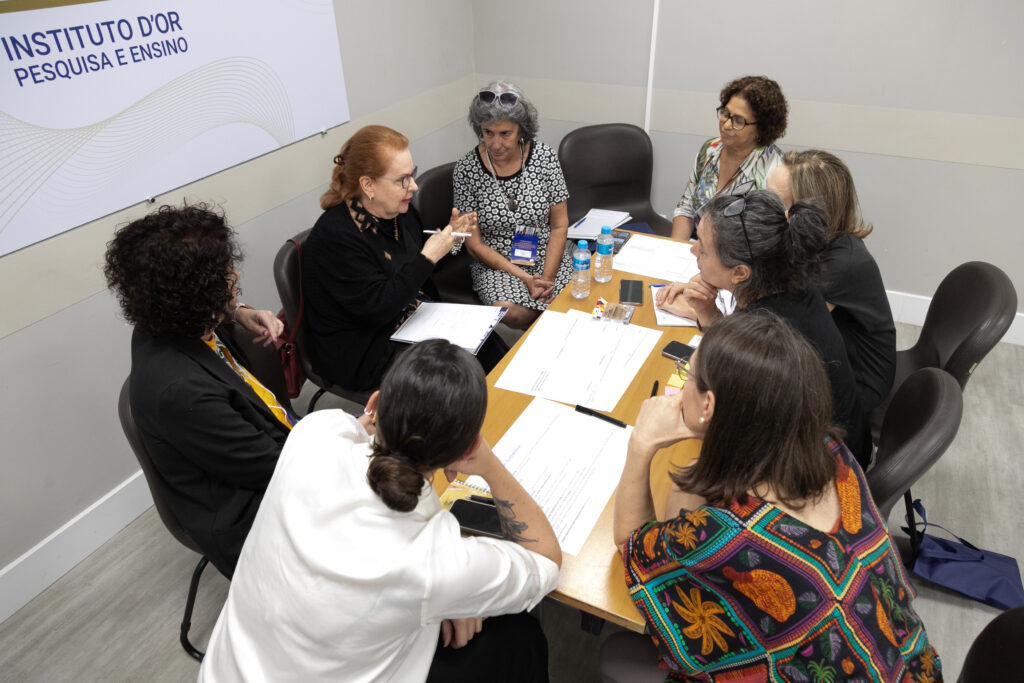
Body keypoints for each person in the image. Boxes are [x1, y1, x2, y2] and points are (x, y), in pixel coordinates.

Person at [602, 313, 941, 682]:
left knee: (621, 649)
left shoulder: (723, 535)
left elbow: (633, 546)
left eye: (688, 375)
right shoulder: (831, 451)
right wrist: (713, 435)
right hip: (911, 665)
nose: (683, 384)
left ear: (708, 405)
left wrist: (641, 444)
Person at [199, 339, 561, 682]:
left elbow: (362, 435)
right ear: (467, 449)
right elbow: (546, 559)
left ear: (373, 403)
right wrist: (488, 465)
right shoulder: (436, 562)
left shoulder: (313, 434)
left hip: (226, 670)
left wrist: (452, 596)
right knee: (520, 638)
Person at [104, 204, 291, 578]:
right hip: (254, 513)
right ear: (195, 292)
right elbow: (276, 469)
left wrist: (236, 310)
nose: (235, 274)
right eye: (225, 272)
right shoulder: (180, 391)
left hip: (274, 451)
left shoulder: (167, 320)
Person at [657, 187, 870, 465]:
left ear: (739, 272)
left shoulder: (767, 334)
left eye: (703, 249)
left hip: (821, 465)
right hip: (840, 437)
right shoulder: (792, 283)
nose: (693, 249)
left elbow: (705, 419)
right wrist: (708, 314)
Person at [302, 125, 487, 392]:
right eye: (402, 179)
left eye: (412, 174)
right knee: (456, 372)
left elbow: (422, 270)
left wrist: (452, 240)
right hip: (364, 348)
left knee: (486, 343)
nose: (413, 186)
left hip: (411, 317)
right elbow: (379, 307)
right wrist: (429, 255)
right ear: (368, 185)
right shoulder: (335, 238)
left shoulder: (400, 213)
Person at [766, 149, 896, 413]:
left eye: (776, 204)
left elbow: (775, 330)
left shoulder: (841, 265)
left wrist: (710, 315)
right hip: (821, 358)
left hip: (856, 385)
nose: (764, 211)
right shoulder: (811, 243)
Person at [454, 81, 572, 329]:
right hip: (497, 263)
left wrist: (546, 279)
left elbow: (559, 226)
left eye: (505, 133)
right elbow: (474, 245)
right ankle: (546, 325)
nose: (495, 144)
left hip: (546, 254)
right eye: (488, 133)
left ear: (521, 130)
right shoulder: (466, 169)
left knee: (575, 302)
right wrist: (526, 278)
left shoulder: (545, 158)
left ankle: (546, 324)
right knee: (511, 312)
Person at [670, 75, 788, 241]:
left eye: (738, 121)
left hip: (740, 254)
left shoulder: (776, 170)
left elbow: (767, 240)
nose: (726, 125)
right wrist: (675, 247)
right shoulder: (710, 149)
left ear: (762, 127)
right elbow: (686, 207)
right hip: (698, 244)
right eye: (725, 113)